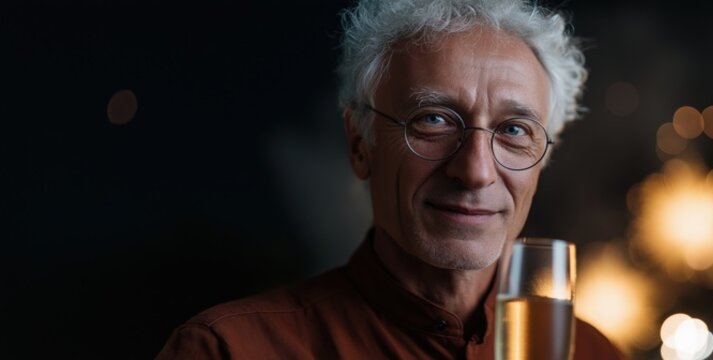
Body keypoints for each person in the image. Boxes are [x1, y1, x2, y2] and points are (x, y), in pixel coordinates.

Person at [156, 0, 623, 358]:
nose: (476, 170)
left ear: (542, 161)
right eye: (434, 120)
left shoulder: (600, 355)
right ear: (360, 145)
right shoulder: (229, 350)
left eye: (515, 130)